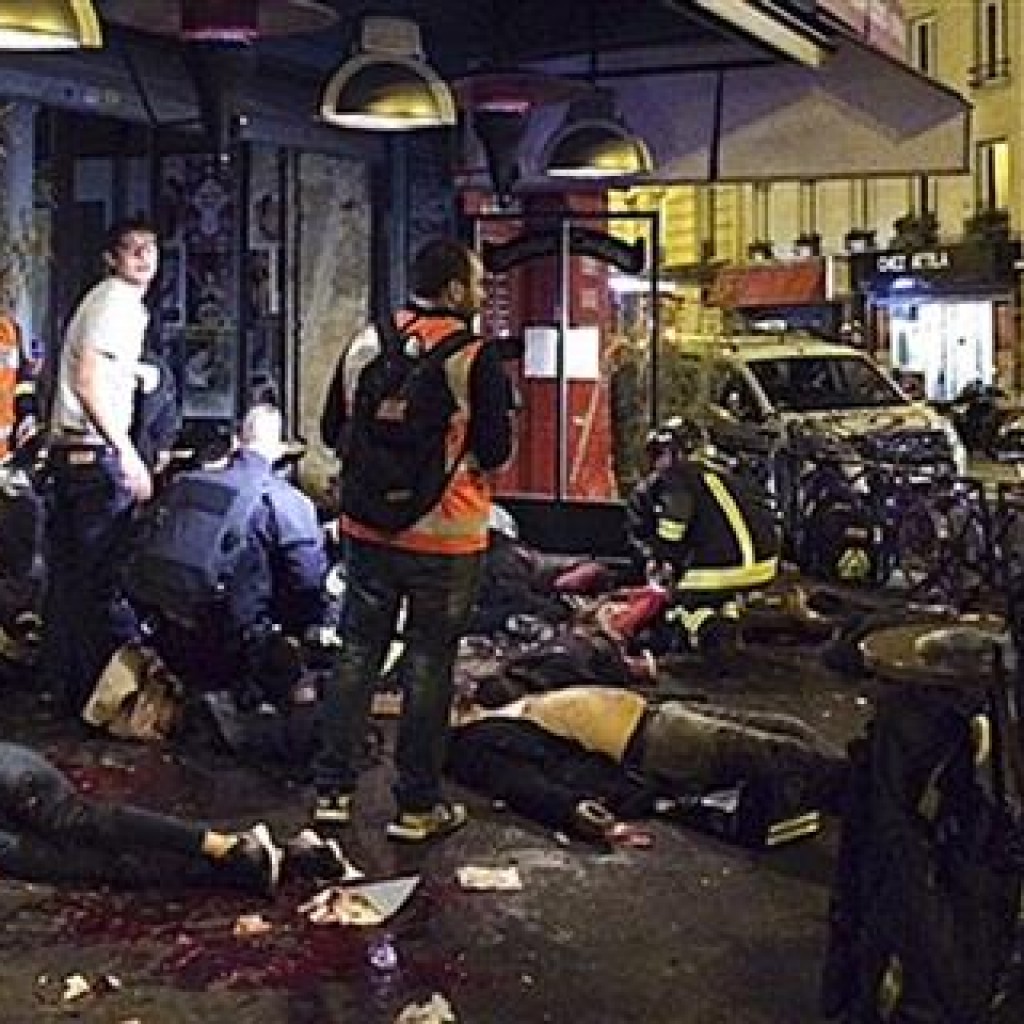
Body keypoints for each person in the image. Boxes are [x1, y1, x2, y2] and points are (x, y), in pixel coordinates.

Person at [313, 238, 512, 841]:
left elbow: (330, 429)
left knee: (357, 651)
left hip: (367, 531)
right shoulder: (475, 358)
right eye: (476, 284)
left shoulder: (367, 340)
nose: (480, 295)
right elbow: (497, 450)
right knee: (429, 665)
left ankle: (332, 793)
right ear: (453, 290)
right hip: (445, 540)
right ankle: (416, 808)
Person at [447, 685, 847, 845]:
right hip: (654, 741)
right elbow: (520, 783)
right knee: (773, 753)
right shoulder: (475, 744)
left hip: (660, 713)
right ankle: (868, 792)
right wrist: (571, 811)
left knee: (786, 731)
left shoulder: (500, 700)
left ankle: (859, 782)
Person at [127, 403, 330, 704]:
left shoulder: (186, 485)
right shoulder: (284, 501)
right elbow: (308, 581)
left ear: (236, 441)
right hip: (231, 646)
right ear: (281, 449)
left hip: (166, 636)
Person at [42, 217, 160, 714]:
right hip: (94, 461)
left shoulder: (103, 302)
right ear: (112, 258)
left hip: (71, 460)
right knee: (95, 585)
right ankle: (92, 698)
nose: (145, 259)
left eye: (151, 250)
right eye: (134, 251)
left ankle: (59, 690)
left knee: (68, 583)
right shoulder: (116, 304)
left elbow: (86, 369)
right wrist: (128, 454)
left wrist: (137, 372)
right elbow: (88, 380)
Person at [0, 739, 282, 895]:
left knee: (87, 841)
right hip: (13, 772)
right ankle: (259, 856)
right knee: (93, 841)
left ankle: (231, 851)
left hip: (13, 782)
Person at [625, 416, 779, 655]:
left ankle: (704, 626)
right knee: (716, 592)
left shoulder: (677, 477)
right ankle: (727, 613)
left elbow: (674, 529)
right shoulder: (725, 472)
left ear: (671, 452)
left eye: (659, 454)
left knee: (671, 600)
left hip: (719, 569)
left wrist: (661, 564)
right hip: (765, 565)